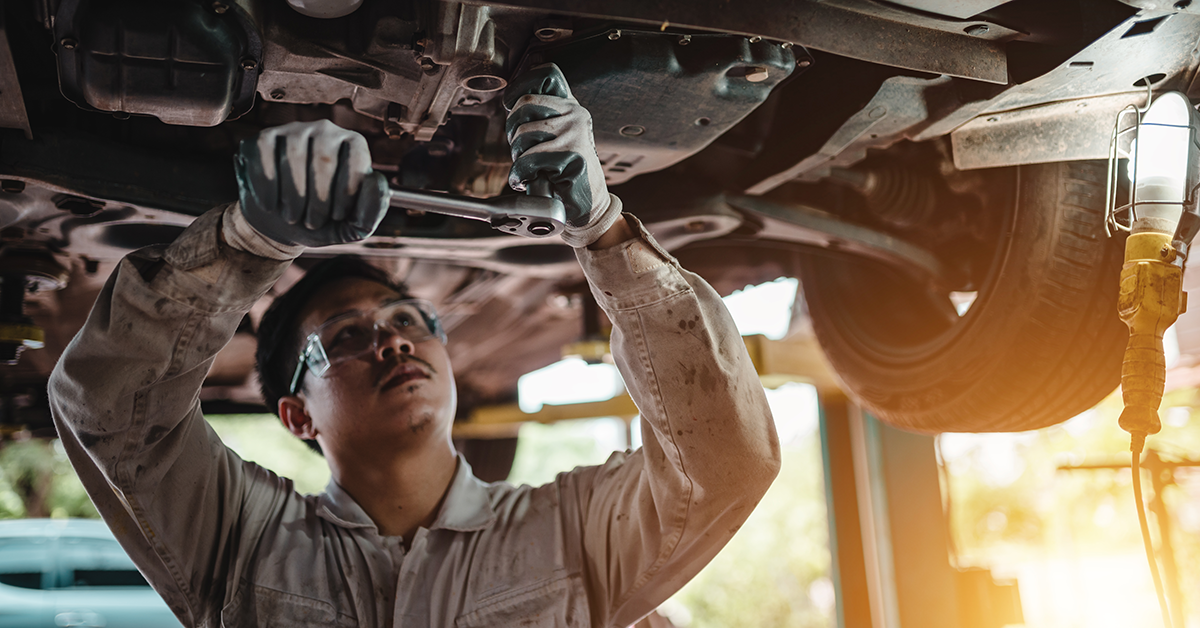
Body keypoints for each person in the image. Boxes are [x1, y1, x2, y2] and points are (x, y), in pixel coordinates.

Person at [49, 64, 780, 627]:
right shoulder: (243, 539)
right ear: (297, 416)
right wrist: (247, 243)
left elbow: (725, 462)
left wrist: (606, 232)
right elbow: (110, 412)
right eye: (346, 335)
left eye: (407, 321)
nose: (392, 343)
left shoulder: (576, 533)